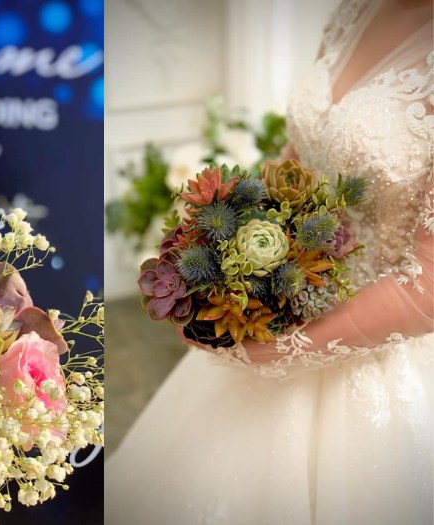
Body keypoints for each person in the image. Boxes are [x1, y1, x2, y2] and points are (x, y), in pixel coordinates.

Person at [106, 0, 433, 523]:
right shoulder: (353, 10)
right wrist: (222, 249)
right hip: (287, 290)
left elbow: (430, 287)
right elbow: (300, 158)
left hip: (379, 349)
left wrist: (284, 346)